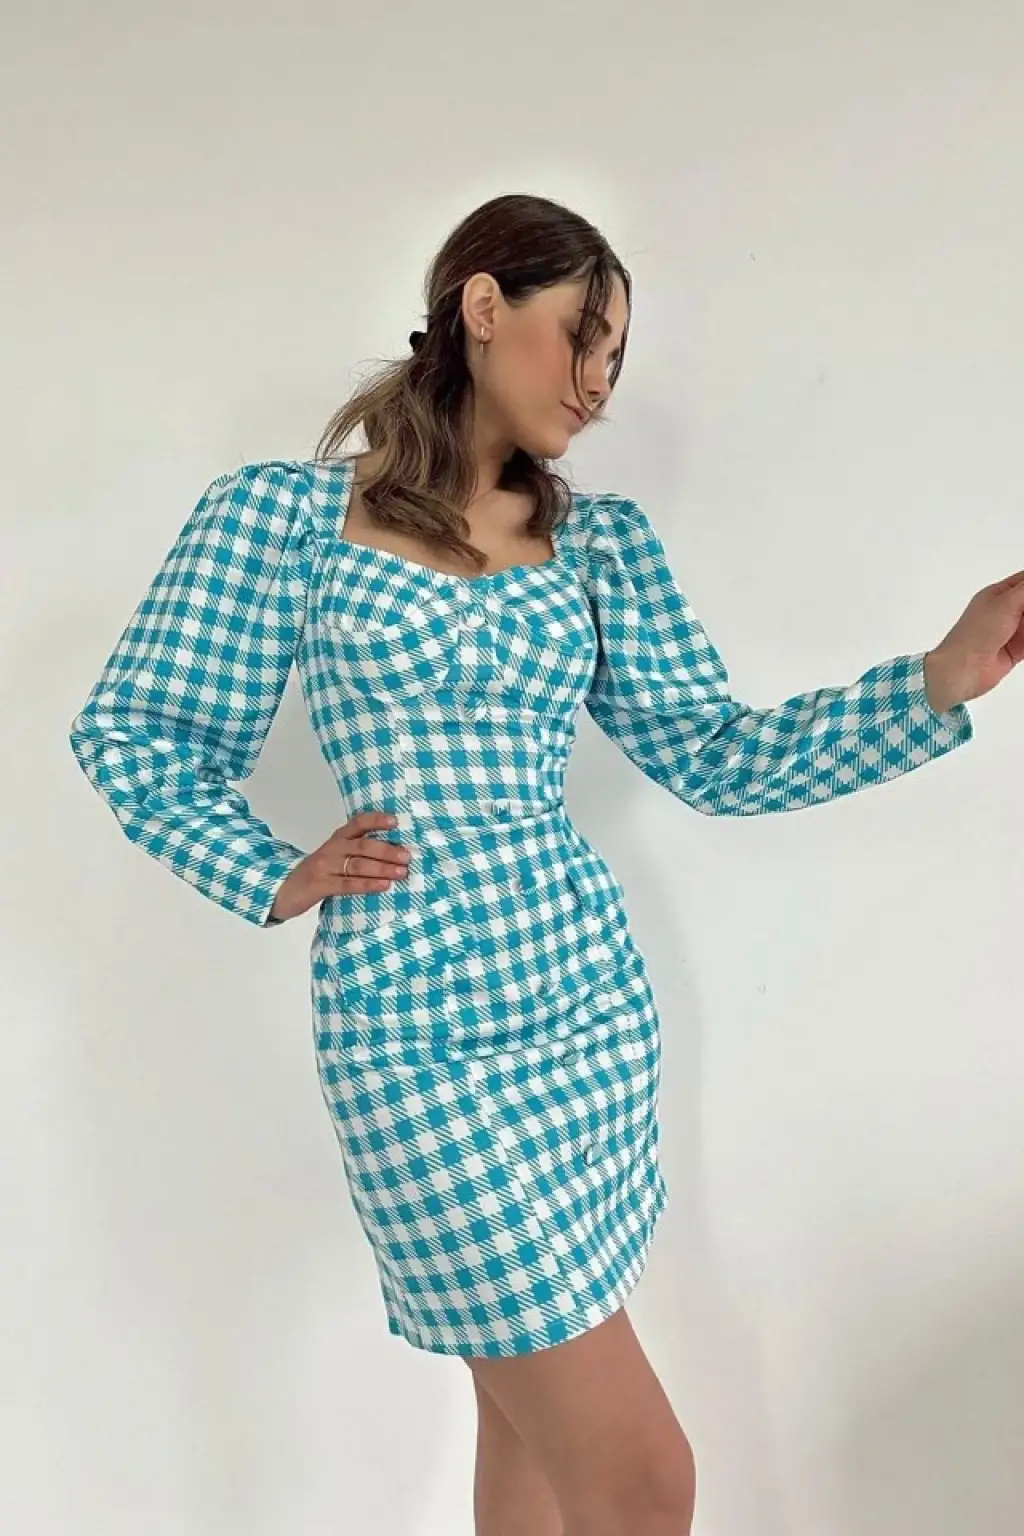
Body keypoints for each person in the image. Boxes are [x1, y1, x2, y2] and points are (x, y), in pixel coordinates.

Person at [68, 192, 1022, 1536]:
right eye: (584, 337)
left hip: (581, 1007)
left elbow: (716, 753)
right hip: (410, 1030)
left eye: (616, 360)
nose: (598, 383)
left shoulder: (601, 547)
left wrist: (935, 678)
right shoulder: (282, 522)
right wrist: (268, 869)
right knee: (644, 1477)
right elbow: (136, 728)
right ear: (482, 306)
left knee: (523, 1435)